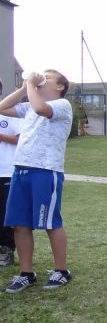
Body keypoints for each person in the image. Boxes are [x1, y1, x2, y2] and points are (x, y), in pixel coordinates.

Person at [0, 70, 73, 293]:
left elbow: (42, 109)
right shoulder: (29, 105)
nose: (41, 79)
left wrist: (32, 85)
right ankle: (26, 273)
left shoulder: (62, 105)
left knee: (50, 222)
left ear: (60, 87)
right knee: (20, 224)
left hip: (46, 170)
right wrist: (24, 88)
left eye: (47, 78)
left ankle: (61, 271)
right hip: (20, 170)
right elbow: (2, 107)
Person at [0, 79, 23, 267]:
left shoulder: (9, 112)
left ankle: (6, 249)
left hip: (5, 171)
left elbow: (20, 139)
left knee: (4, 214)